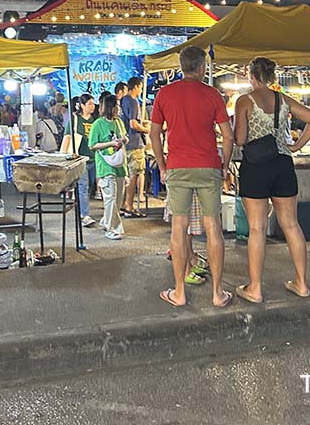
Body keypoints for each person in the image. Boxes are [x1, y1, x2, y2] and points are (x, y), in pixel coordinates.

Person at [150, 45, 235, 309]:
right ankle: (218, 293)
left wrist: (163, 166)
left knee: (179, 227)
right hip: (208, 165)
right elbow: (228, 135)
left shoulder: (165, 94)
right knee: (213, 228)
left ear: (180, 66)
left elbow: (154, 134)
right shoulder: (213, 95)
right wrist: (225, 164)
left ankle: (179, 292)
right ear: (201, 68)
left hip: (177, 166)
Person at [233, 57, 310, 303]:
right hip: (283, 164)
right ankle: (301, 283)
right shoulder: (283, 99)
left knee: (257, 228)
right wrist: (295, 146)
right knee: (291, 225)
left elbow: (240, 139)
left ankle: (255, 288)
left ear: (251, 76)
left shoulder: (245, 101)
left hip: (255, 167)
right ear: (271, 77)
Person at [89, 92, 129, 240]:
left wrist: (123, 139)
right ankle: (112, 228)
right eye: (116, 106)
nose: (118, 109)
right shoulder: (97, 124)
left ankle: (107, 221)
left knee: (118, 199)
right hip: (105, 165)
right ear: (109, 107)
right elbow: (92, 145)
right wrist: (110, 144)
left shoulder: (118, 122)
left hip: (119, 164)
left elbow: (125, 136)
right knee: (111, 198)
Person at [61, 94, 98, 227]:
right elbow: (67, 137)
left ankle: (82, 209)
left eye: (93, 104)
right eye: (89, 104)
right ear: (82, 105)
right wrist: (63, 156)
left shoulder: (94, 120)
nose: (92, 106)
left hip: (93, 157)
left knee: (89, 186)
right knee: (83, 186)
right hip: (80, 159)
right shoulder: (75, 119)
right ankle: (85, 215)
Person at [120, 76, 149, 219]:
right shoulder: (133, 101)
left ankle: (123, 204)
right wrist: (146, 129)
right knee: (134, 175)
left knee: (126, 176)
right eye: (141, 86)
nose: (141, 89)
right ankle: (129, 206)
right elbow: (133, 124)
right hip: (134, 143)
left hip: (125, 143)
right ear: (136, 86)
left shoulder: (123, 100)